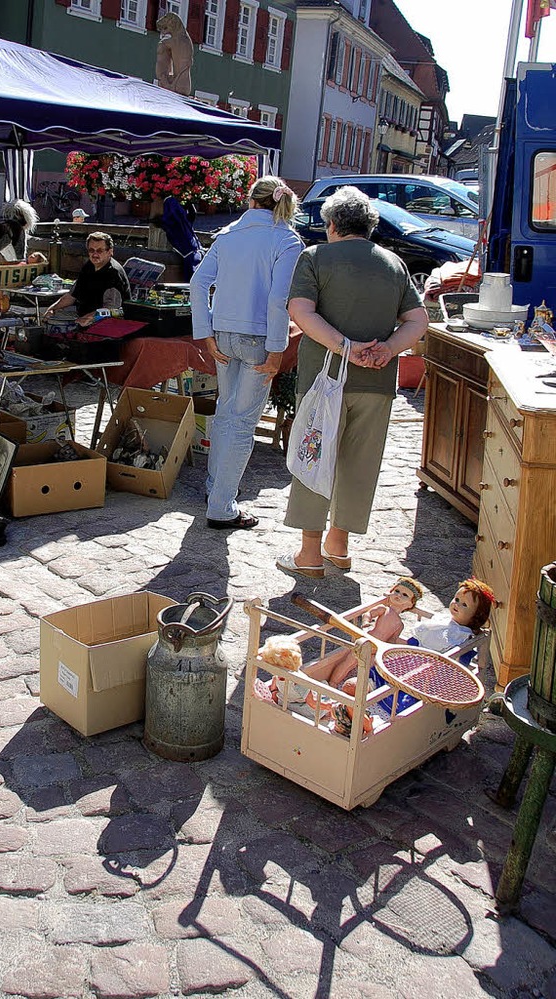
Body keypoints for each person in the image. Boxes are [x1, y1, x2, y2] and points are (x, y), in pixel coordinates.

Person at [276, 186, 428, 578]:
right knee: (361, 464)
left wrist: (345, 346)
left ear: (331, 225)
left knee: (315, 456)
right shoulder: (394, 263)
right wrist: (386, 349)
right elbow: (418, 321)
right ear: (370, 225)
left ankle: (309, 553)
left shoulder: (315, 257)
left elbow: (301, 312)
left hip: (324, 378)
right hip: (376, 382)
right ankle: (338, 545)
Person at [190, 175, 304, 530]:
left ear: (251, 201)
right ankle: (222, 505)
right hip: (257, 337)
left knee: (227, 415)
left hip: (224, 332)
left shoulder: (228, 235)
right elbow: (277, 299)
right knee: (240, 422)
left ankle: (216, 491)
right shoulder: (286, 240)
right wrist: (277, 349)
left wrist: (205, 331)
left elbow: (198, 283)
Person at [301, 576, 424, 701]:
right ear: (390, 592)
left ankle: (355, 691)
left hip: (376, 650)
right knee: (348, 663)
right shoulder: (384, 609)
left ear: (410, 604)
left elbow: (393, 639)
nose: (399, 595)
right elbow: (368, 614)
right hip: (365, 642)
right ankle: (333, 684)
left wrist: (388, 649)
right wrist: (366, 623)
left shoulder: (400, 624)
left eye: (405, 595)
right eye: (397, 591)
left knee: (367, 670)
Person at [42, 232, 130, 328]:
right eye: (91, 250)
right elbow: (71, 296)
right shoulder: (89, 266)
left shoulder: (113, 273)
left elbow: (112, 309)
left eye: (99, 251)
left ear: (110, 252)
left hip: (108, 322)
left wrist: (89, 318)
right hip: (83, 315)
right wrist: (51, 309)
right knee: (50, 317)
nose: (95, 254)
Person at [411, 577, 495, 652]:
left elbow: (456, 656)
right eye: (457, 599)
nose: (456, 604)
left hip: (431, 659)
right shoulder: (446, 619)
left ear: (476, 615)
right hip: (420, 648)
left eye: (464, 604)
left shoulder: (459, 635)